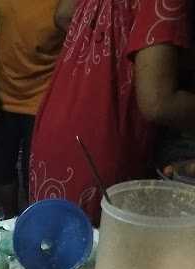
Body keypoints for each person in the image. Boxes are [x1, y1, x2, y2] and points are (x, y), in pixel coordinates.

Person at [29, 0, 192, 225]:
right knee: (97, 251)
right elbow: (157, 102)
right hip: (103, 136)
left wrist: (103, 47)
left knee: (54, 245)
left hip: (62, 111)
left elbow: (64, 14)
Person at [0, 0, 63, 217]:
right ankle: (11, 220)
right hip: (4, 92)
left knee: (35, 173)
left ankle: (34, 223)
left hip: (48, 95)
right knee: (1, 168)